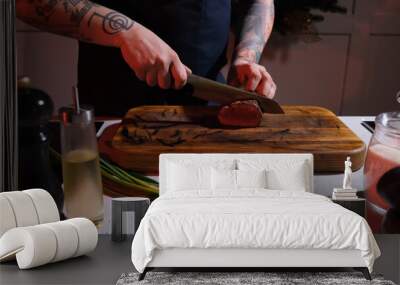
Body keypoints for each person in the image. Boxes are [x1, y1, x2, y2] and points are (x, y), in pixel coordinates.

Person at [16, 0, 276, 116]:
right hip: (113, 112)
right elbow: (28, 3)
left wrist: (246, 56)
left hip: (207, 109)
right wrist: (124, 33)